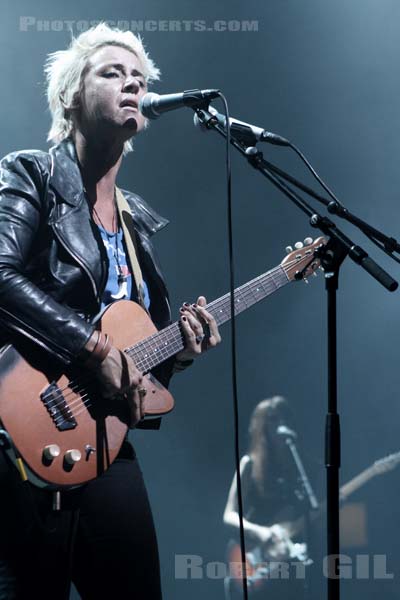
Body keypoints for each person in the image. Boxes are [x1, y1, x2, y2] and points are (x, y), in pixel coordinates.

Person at [0, 23, 221, 599]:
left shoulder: (136, 219)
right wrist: (91, 347)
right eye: (113, 73)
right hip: (19, 428)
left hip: (104, 441)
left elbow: (138, 359)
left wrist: (182, 349)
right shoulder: (31, 174)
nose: (132, 85)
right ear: (71, 96)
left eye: (140, 79)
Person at [223, 396, 312, 600]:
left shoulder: (298, 467)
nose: (281, 424)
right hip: (256, 556)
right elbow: (229, 515)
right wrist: (262, 533)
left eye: (285, 418)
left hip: (288, 563)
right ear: (261, 427)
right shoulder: (250, 465)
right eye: (273, 419)